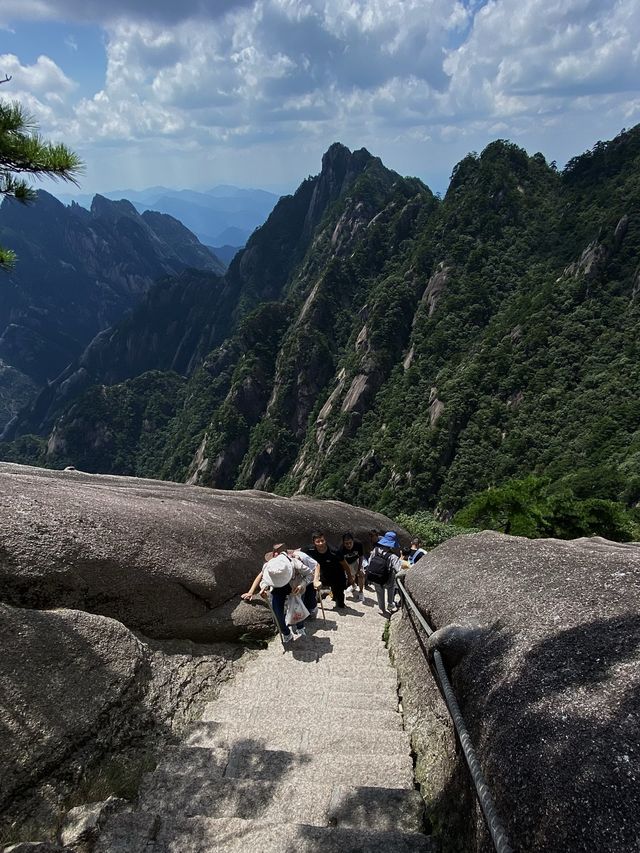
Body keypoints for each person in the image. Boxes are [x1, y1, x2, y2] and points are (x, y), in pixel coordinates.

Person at [259, 551, 319, 642]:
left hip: (294, 587)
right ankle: (286, 633)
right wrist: (264, 588)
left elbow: (310, 574)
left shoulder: (296, 564)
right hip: (277, 589)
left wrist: (302, 585)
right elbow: (264, 580)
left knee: (298, 608)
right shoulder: (268, 567)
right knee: (277, 613)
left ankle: (300, 627)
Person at [306, 530, 352, 610]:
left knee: (339, 599)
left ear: (325, 540)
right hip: (323, 574)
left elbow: (345, 565)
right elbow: (298, 552)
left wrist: (350, 577)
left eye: (322, 541)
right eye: (318, 541)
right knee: (311, 586)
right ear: (314, 542)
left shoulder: (335, 551)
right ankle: (311, 607)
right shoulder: (310, 549)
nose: (321, 543)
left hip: (337, 576)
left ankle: (339, 603)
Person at [368, 531, 402, 616]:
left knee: (379, 592)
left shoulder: (375, 550)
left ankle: (382, 609)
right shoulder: (393, 557)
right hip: (387, 579)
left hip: (376, 576)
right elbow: (399, 570)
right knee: (391, 588)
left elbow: (369, 562)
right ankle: (390, 604)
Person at [338, 531, 365, 603]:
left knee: (361, 574)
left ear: (353, 541)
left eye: (350, 543)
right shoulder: (341, 549)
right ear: (343, 543)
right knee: (349, 577)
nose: (349, 545)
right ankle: (353, 585)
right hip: (346, 562)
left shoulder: (358, 544)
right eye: (346, 543)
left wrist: (359, 569)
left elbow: (361, 556)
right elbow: (341, 562)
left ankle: (361, 592)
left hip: (356, 560)